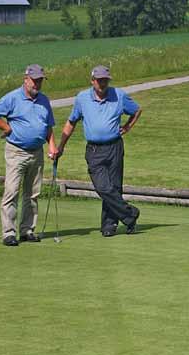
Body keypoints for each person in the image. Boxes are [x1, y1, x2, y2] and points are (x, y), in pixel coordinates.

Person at [58, 65, 142, 237]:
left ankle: (109, 225)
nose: (103, 83)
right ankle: (130, 214)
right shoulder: (82, 98)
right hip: (94, 150)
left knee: (115, 187)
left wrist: (127, 127)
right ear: (92, 81)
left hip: (115, 147)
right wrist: (61, 146)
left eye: (105, 80)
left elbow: (136, 110)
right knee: (103, 187)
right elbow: (71, 122)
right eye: (99, 80)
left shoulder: (118, 95)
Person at [0, 64, 58, 246]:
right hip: (16, 152)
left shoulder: (44, 100)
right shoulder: (12, 98)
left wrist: (52, 146)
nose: (37, 84)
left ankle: (27, 230)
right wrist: (6, 127)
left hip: (37, 152)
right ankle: (9, 233)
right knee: (12, 192)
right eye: (35, 80)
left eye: (40, 80)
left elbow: (48, 126)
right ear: (25, 79)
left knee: (33, 194)